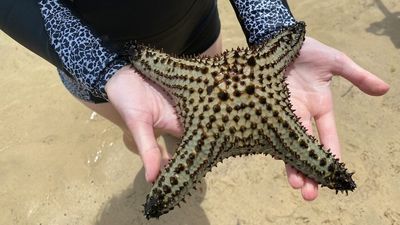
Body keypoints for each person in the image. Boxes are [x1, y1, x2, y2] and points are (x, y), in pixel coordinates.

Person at [0, 0, 389, 202]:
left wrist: (270, 24)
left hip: (196, 29)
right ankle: (160, 153)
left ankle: (182, 153)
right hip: (97, 61)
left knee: (181, 135)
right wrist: (103, 68)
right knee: (142, 132)